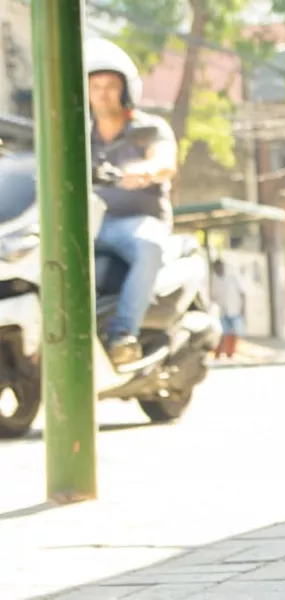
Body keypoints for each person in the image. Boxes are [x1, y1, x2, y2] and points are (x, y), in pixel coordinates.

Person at [85, 38, 178, 366]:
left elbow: (165, 162)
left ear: (126, 90)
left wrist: (144, 170)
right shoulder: (80, 134)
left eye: (111, 86)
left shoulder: (148, 128)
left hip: (137, 222)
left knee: (149, 244)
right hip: (91, 222)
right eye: (95, 86)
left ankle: (122, 335)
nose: (103, 94)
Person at [211, 259, 246, 359]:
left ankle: (232, 353)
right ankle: (222, 353)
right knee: (224, 332)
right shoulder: (215, 279)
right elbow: (213, 296)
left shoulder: (232, 277)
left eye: (219, 268)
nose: (218, 270)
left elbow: (242, 293)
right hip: (223, 310)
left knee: (236, 332)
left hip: (235, 309)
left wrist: (243, 310)